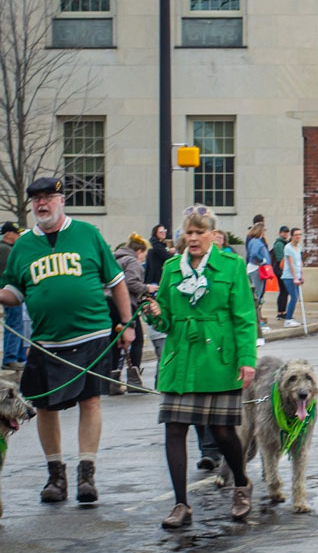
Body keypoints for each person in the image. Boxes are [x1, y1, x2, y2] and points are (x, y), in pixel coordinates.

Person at [0, 177, 134, 506]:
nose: (42, 204)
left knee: (90, 401)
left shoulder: (88, 234)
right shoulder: (23, 246)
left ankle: (87, 472)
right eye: (37, 200)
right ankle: (55, 475)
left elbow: (116, 282)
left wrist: (127, 324)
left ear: (61, 200)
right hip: (46, 341)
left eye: (48, 197)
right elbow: (14, 293)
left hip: (92, 335)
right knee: (45, 407)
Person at [143, 209, 258, 529]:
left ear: (212, 234)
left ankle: (241, 484)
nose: (192, 238)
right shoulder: (171, 268)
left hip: (219, 358)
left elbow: (245, 317)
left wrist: (247, 360)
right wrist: (153, 312)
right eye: (188, 232)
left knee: (222, 432)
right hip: (180, 359)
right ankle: (181, 504)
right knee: (174, 428)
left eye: (199, 232)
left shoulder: (231, 266)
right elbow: (164, 319)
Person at [111, 233, 151, 394]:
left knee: (114, 341)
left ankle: (112, 380)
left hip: (108, 302)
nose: (143, 260)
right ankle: (133, 380)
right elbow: (131, 283)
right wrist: (147, 288)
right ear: (139, 251)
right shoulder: (132, 260)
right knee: (137, 339)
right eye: (144, 256)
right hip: (125, 303)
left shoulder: (115, 258)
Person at [0, 221, 26, 369]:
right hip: (8, 292)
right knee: (15, 322)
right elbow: (10, 274)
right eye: (16, 233)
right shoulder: (5, 250)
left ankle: (18, 356)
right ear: (8, 234)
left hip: (7, 291)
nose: (18, 236)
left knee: (17, 322)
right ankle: (10, 358)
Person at [244, 222, 272, 331]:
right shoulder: (256, 242)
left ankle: (257, 323)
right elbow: (254, 254)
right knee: (257, 297)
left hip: (253, 269)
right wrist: (262, 260)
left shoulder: (252, 241)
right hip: (257, 269)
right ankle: (257, 324)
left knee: (256, 297)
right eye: (263, 230)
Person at [280, 227, 303, 326]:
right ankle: (288, 319)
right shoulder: (288, 247)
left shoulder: (299, 247)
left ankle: (290, 317)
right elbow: (290, 264)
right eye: (296, 235)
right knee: (294, 297)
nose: (298, 236)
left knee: (296, 297)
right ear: (292, 236)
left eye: (299, 234)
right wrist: (294, 277)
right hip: (289, 276)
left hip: (297, 275)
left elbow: (300, 261)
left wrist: (301, 275)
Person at [271, 225, 290, 320]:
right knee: (283, 291)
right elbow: (280, 258)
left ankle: (283, 311)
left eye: (287, 232)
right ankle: (280, 312)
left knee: (284, 291)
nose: (286, 233)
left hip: (281, 269)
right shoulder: (279, 243)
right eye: (284, 232)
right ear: (280, 233)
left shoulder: (284, 243)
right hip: (280, 270)